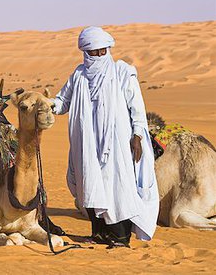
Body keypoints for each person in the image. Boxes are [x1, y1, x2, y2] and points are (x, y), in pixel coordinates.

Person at [52, 26, 159, 247]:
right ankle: (99, 234)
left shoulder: (122, 72)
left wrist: (137, 134)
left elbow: (136, 107)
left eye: (103, 51)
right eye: (95, 52)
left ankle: (120, 237)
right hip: (86, 143)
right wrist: (47, 106)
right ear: (85, 53)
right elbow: (62, 101)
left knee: (117, 186)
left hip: (116, 142)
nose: (100, 55)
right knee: (89, 184)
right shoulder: (79, 75)